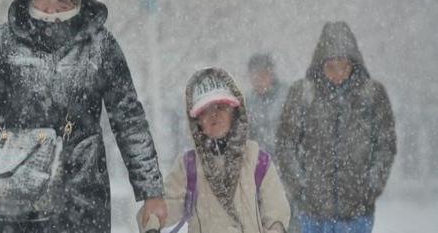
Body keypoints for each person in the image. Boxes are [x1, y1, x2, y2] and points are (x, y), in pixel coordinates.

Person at [0, 0, 166, 233]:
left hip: (83, 200)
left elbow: (129, 120)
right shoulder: (5, 42)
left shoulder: (100, 45)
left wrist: (150, 190)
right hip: (17, 197)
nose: (51, 8)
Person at [276, 21, 397, 233]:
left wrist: (372, 185)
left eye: (344, 66)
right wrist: (299, 187)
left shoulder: (372, 95)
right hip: (312, 212)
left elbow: (386, 145)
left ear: (354, 65)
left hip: (357, 211)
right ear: (320, 66)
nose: (338, 73)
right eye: (331, 67)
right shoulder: (303, 95)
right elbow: (285, 143)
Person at [139, 67, 289, 233]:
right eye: (205, 111)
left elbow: (277, 212)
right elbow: (161, 209)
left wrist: (275, 229)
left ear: (235, 113)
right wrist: (151, 221)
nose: (214, 115)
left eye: (221, 108)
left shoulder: (257, 161)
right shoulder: (188, 166)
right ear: (197, 122)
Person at [246, 53, 288, 156]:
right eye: (254, 76)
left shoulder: (286, 96)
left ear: (271, 74)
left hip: (284, 159)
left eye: (262, 75)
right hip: (261, 162)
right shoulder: (249, 101)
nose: (258, 80)